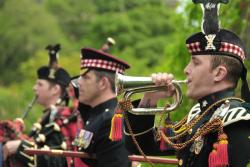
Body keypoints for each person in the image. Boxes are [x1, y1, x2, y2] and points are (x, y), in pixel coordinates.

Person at [124, 5, 250, 167]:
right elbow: (140, 146)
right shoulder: (197, 116)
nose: (186, 70)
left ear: (219, 73)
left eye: (195, 63)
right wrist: (150, 99)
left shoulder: (236, 121)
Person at [2, 44, 88, 167]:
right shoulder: (53, 117)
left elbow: (62, 160)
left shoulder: (70, 118)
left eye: (40, 85)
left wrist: (21, 147)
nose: (34, 88)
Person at [72, 47, 131, 167]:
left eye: (86, 77)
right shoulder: (94, 115)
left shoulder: (112, 120)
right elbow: (79, 155)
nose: (79, 82)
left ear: (103, 83)